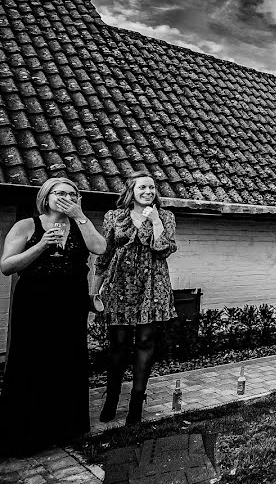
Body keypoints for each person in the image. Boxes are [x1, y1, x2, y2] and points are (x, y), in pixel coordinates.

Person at [0, 178, 106, 456]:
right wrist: (41, 246)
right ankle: (27, 433)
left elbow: (100, 248)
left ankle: (66, 429)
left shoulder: (81, 224)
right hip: (34, 300)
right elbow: (7, 266)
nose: (67, 197)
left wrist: (80, 216)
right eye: (60, 193)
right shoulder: (27, 225)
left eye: (73, 194)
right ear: (46, 197)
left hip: (70, 302)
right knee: (31, 360)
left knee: (67, 360)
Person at [96, 171, 178, 425]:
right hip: (120, 283)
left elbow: (162, 248)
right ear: (131, 190)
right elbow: (104, 254)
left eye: (152, 188)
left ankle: (136, 400)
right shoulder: (114, 217)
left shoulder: (165, 216)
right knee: (118, 343)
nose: (148, 192)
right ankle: (112, 398)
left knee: (145, 341)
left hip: (152, 285)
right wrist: (95, 290)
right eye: (142, 187)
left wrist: (155, 221)